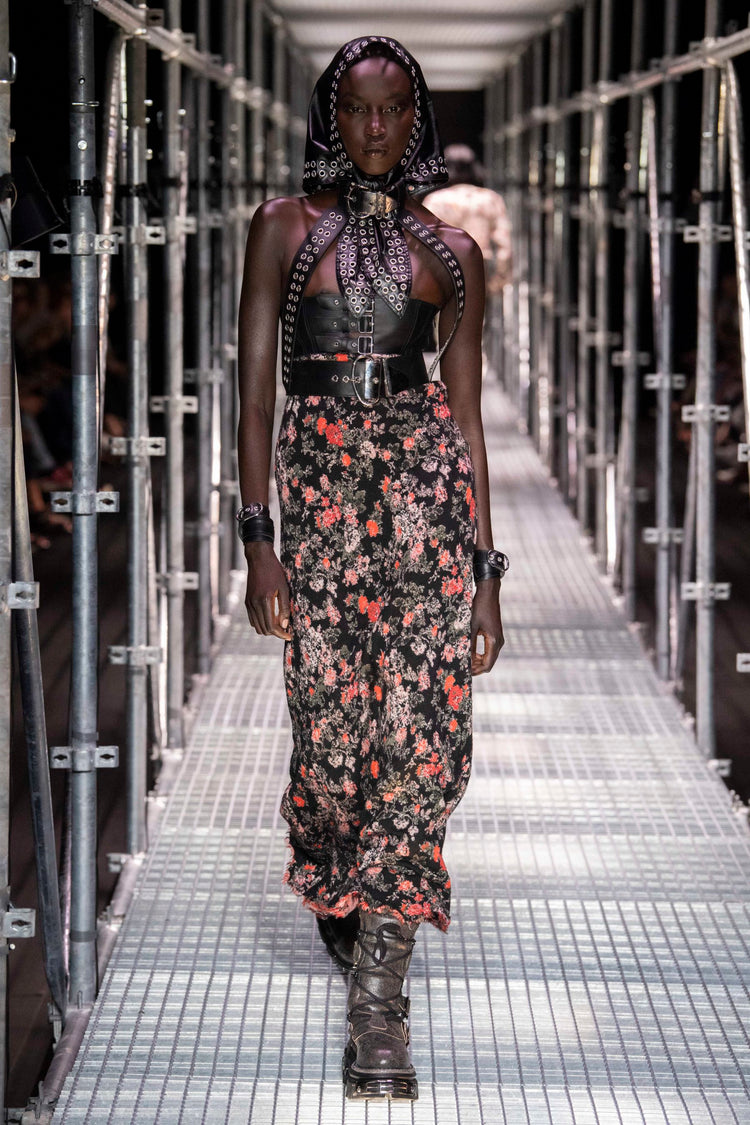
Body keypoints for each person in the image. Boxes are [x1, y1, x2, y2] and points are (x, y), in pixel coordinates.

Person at [237, 36, 506, 1102]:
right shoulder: (280, 229)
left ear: (418, 118)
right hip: (318, 499)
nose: (377, 128)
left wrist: (486, 573)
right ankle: (343, 884)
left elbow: (468, 419)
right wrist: (258, 541)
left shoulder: (453, 252)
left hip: (424, 496)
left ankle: (380, 1003)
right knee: (331, 728)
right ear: (330, 116)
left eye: (394, 109)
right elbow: (255, 392)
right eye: (357, 108)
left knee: (422, 729)